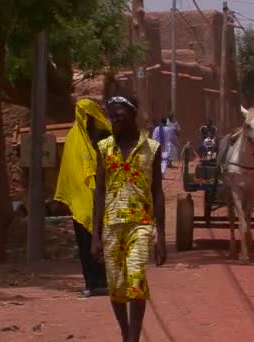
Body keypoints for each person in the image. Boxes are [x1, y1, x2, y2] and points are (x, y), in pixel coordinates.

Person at [92, 95, 166, 342]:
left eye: (119, 117)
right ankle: (125, 332)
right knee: (116, 286)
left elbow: (157, 191)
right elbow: (99, 190)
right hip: (111, 225)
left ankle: (133, 337)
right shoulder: (104, 148)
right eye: (112, 117)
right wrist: (95, 235)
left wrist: (162, 236)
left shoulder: (152, 148)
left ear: (133, 116)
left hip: (141, 224)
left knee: (135, 279)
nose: (114, 122)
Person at [54, 99, 110, 297]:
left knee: (107, 241)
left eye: (90, 116)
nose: (88, 120)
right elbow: (70, 170)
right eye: (83, 116)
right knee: (86, 244)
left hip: (104, 198)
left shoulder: (105, 136)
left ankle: (107, 281)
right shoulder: (74, 138)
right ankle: (92, 282)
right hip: (81, 202)